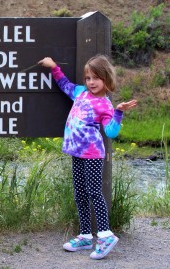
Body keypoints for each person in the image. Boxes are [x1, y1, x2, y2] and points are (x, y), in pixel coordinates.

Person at [38, 55, 137, 260]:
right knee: (80, 194)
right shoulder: (81, 93)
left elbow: (110, 132)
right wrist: (54, 67)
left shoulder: (105, 104)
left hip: (92, 155)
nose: (91, 82)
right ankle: (84, 235)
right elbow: (65, 85)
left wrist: (118, 112)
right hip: (76, 152)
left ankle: (105, 235)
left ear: (106, 79)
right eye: (88, 78)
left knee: (94, 192)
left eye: (96, 78)